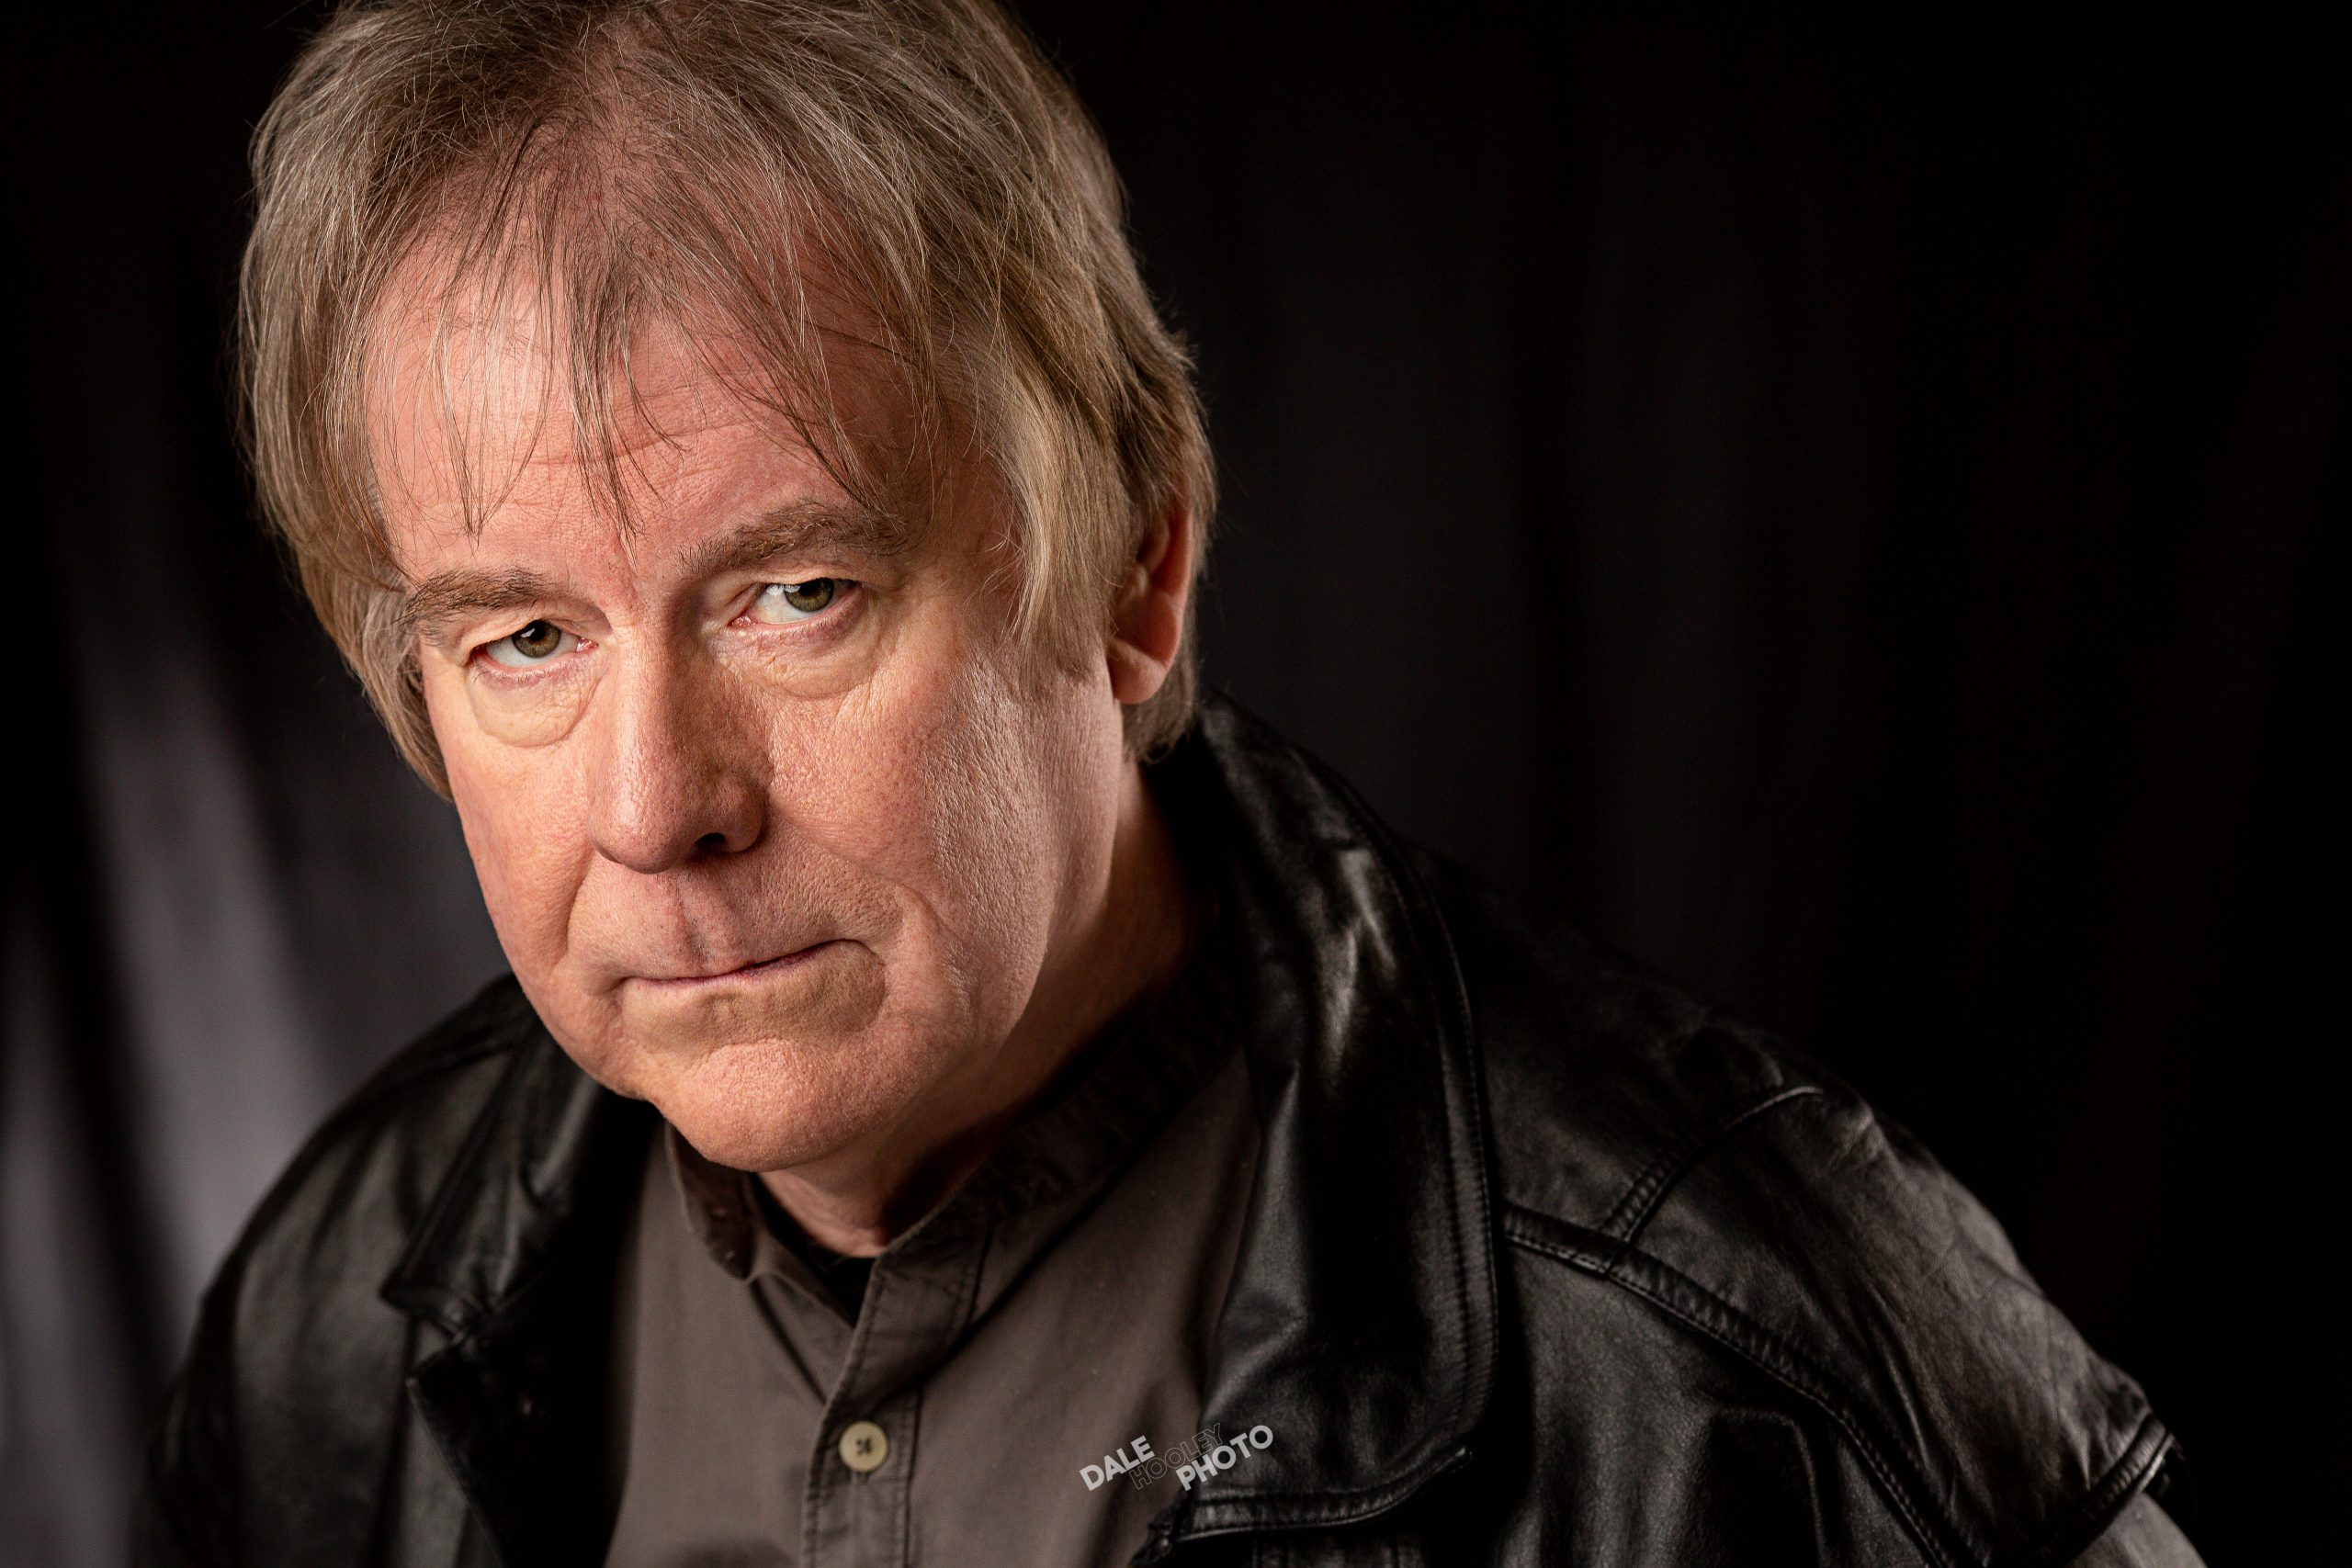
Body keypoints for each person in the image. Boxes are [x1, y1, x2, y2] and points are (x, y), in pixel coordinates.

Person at [130, 2, 2202, 1564]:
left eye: (796, 594)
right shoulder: (335, 1327)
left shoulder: (1744, 1364)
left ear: (1132, 573)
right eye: (524, 638)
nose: (657, 805)